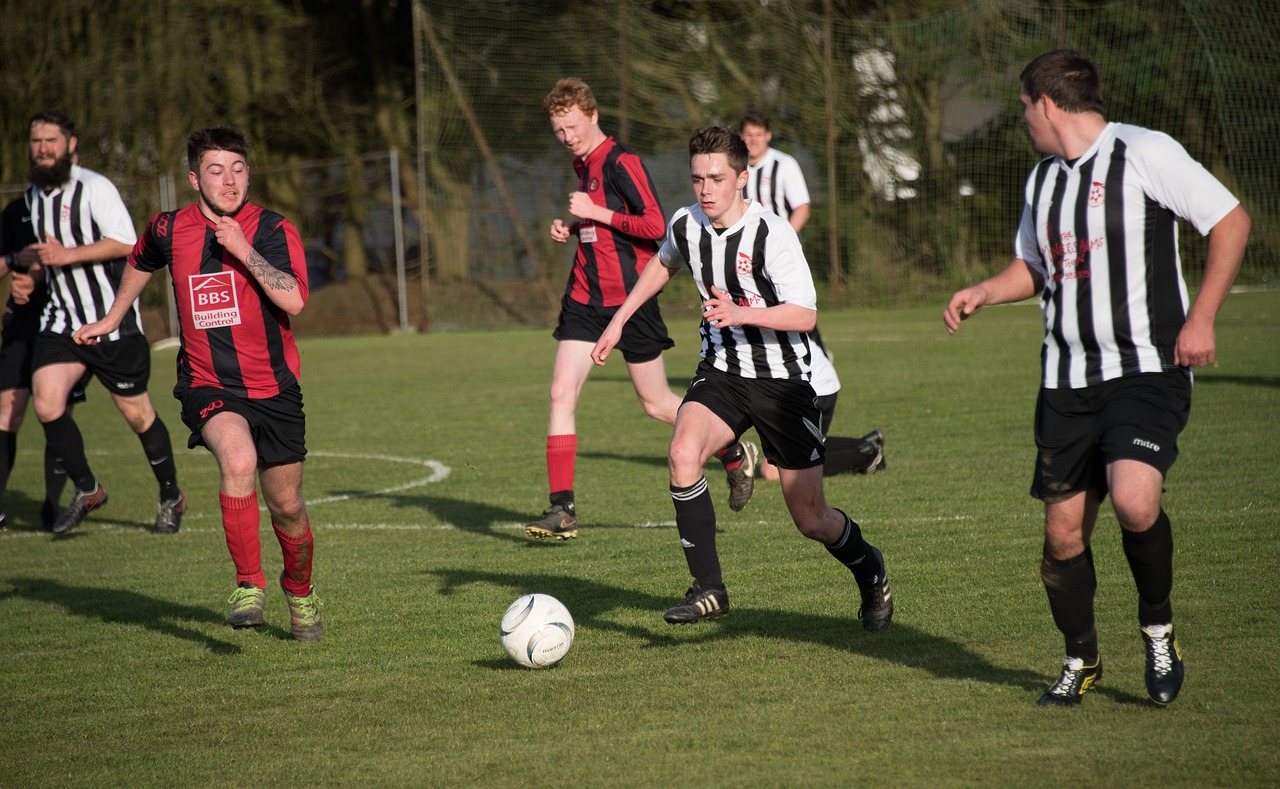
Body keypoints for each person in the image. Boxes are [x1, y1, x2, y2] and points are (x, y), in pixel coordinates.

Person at [943, 50, 1250, 707]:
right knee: (1062, 534)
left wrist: (1203, 318)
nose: (1023, 118)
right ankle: (1081, 659)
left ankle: (1159, 630)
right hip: (1066, 378)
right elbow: (1034, 265)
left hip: (1146, 368)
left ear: (1048, 104)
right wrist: (985, 291)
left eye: (1025, 106)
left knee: (1136, 499)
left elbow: (1230, 220)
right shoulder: (1042, 181)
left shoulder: (1144, 152)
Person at [592, 125, 894, 631]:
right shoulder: (687, 224)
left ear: (742, 178)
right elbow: (663, 263)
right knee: (683, 454)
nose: (706, 189)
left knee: (810, 518)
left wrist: (742, 313)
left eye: (716, 178)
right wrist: (620, 319)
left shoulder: (771, 234)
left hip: (784, 383)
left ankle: (871, 570)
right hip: (723, 373)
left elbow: (803, 314)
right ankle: (709, 587)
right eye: (697, 179)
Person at [74, 125, 323, 643]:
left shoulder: (274, 229)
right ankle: (248, 584)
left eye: (237, 169)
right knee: (237, 460)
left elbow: (294, 300)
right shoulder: (169, 229)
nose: (229, 180)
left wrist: (242, 250)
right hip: (208, 383)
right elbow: (140, 261)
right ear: (194, 178)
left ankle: (299, 591)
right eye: (216, 170)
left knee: (288, 506)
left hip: (275, 388)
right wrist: (113, 318)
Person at [526, 78, 756, 542]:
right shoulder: (583, 162)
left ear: (592, 115)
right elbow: (602, 222)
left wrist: (595, 212)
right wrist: (574, 226)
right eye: (558, 130)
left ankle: (731, 450)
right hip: (584, 298)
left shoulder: (621, 160)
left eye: (571, 126)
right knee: (559, 393)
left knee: (655, 404)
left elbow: (654, 225)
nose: (566, 136)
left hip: (630, 301)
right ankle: (561, 509)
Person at [13, 109, 185, 535]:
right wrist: (31, 278)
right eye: (36, 142)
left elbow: (128, 243)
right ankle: (87, 488)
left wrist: (66, 256)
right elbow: (49, 254)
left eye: (51, 140)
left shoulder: (94, 187)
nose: (43, 149)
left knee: (137, 414)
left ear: (71, 145)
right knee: (47, 401)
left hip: (112, 323)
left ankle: (170, 495)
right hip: (62, 320)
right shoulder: (33, 196)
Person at [739, 110, 884, 480]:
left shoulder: (782, 167)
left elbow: (801, 206)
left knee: (776, 471)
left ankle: (861, 453)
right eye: (747, 134)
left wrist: (777, 240)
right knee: (778, 462)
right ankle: (861, 446)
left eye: (759, 133)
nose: (753, 140)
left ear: (769, 135)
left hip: (813, 384)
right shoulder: (738, 171)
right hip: (803, 380)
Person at [0, 193, 86, 530]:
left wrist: (37, 275)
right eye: (37, 141)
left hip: (68, 322)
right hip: (22, 323)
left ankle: (52, 510)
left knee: (56, 410)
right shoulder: (16, 211)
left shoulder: (81, 205)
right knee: (8, 408)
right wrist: (13, 259)